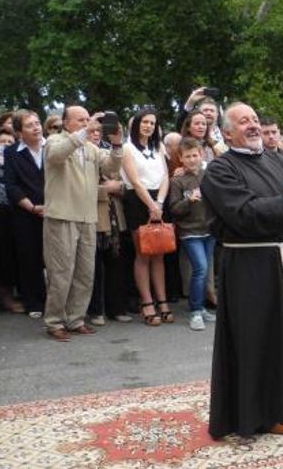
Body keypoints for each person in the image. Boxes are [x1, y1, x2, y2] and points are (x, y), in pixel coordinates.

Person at [201, 102, 283, 438]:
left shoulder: (278, 158)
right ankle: (261, 413)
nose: (253, 125)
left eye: (254, 119)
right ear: (226, 132)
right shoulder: (220, 170)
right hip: (251, 267)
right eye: (243, 121)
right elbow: (242, 214)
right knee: (258, 338)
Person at [41, 106, 124, 340]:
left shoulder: (91, 147)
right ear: (66, 123)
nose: (89, 124)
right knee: (61, 273)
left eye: (89, 119)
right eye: (81, 120)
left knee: (85, 273)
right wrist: (85, 132)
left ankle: (76, 319)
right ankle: (54, 322)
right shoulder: (54, 141)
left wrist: (117, 144)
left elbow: (111, 168)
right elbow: (57, 156)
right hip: (61, 216)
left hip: (88, 217)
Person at [121, 108, 171, 326]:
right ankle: (147, 302)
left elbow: (165, 176)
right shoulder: (126, 148)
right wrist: (151, 205)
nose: (148, 126)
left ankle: (162, 301)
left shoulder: (158, 146)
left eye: (152, 123)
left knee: (159, 253)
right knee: (143, 254)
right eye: (144, 122)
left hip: (159, 200)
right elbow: (135, 181)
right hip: (138, 201)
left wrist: (159, 203)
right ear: (136, 124)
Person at [167, 138, 217, 331]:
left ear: (201, 155)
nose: (191, 160)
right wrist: (190, 200)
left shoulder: (209, 175)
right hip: (190, 232)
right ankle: (195, 311)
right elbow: (174, 209)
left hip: (209, 230)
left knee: (205, 271)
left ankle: (202, 307)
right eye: (187, 156)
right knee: (200, 269)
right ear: (181, 158)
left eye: (194, 155)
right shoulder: (178, 181)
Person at [2, 110, 47, 318]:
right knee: (29, 258)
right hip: (26, 213)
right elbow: (11, 185)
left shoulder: (52, 147)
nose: (36, 127)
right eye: (29, 125)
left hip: (55, 211)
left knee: (56, 259)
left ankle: (56, 300)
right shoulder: (12, 152)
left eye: (37, 123)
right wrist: (32, 207)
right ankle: (34, 302)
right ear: (19, 132)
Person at [87, 123, 132, 324]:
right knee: (94, 268)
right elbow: (78, 189)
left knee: (116, 265)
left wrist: (118, 187)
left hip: (116, 216)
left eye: (99, 131)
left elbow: (126, 183)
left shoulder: (110, 154)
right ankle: (96, 310)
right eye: (92, 131)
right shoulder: (79, 156)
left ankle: (117, 308)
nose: (96, 134)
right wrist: (105, 189)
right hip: (93, 217)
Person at [0, 128, 22, 313]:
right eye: (2, 141)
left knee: (6, 254)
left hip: (8, 209)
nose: (5, 145)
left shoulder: (16, 158)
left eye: (10, 142)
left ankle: (6, 295)